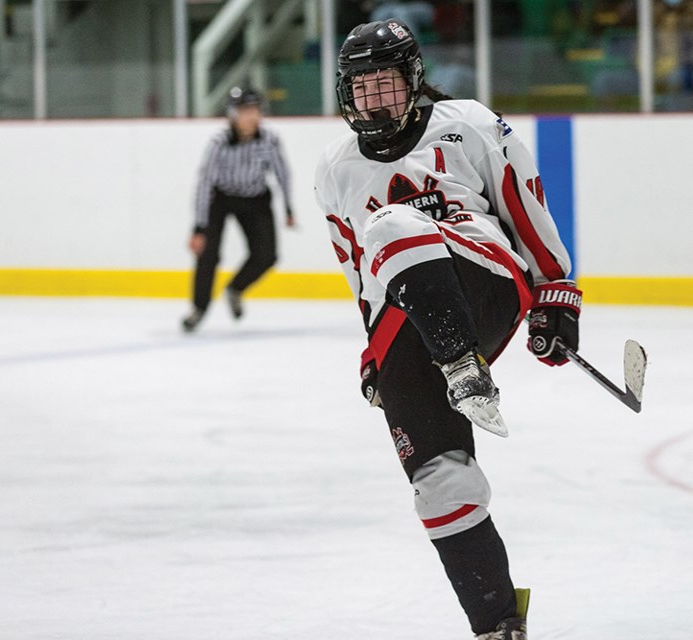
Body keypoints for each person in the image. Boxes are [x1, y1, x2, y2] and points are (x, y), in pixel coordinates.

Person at [313, 19, 580, 639]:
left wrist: (558, 299)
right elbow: (361, 276)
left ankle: (466, 368)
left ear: (413, 80)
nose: (374, 100)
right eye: (361, 88)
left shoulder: (470, 126)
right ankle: (497, 624)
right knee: (439, 482)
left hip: (482, 280)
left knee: (392, 226)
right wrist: (371, 353)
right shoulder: (335, 169)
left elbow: (525, 209)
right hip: (408, 317)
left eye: (385, 84)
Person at [182, 86, 295, 332]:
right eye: (245, 111)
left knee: (267, 256)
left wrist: (288, 208)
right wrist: (199, 227)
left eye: (255, 110)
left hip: (255, 198)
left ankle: (235, 289)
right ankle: (198, 309)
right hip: (221, 198)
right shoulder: (219, 142)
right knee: (208, 254)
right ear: (233, 114)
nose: (251, 117)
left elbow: (282, 172)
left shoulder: (269, 139)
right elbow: (204, 182)